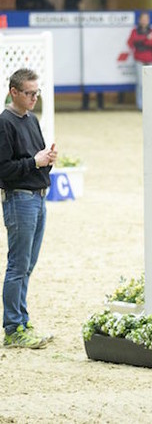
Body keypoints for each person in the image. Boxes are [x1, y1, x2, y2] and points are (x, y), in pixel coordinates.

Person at [0, 68, 57, 349]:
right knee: (18, 265)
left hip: (37, 196)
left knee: (27, 265)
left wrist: (47, 160)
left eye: (37, 93)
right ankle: (13, 327)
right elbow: (5, 169)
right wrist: (35, 162)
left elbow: (35, 157)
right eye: (29, 93)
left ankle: (21, 320)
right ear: (14, 92)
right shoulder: (4, 123)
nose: (35, 97)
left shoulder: (31, 120)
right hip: (19, 198)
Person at [127, 11, 152, 110]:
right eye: (143, 19)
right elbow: (131, 42)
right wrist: (146, 39)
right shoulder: (135, 31)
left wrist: (142, 42)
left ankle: (151, 104)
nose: (144, 21)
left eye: (146, 19)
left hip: (150, 59)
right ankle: (140, 105)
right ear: (139, 20)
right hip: (139, 59)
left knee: (151, 84)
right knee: (140, 84)